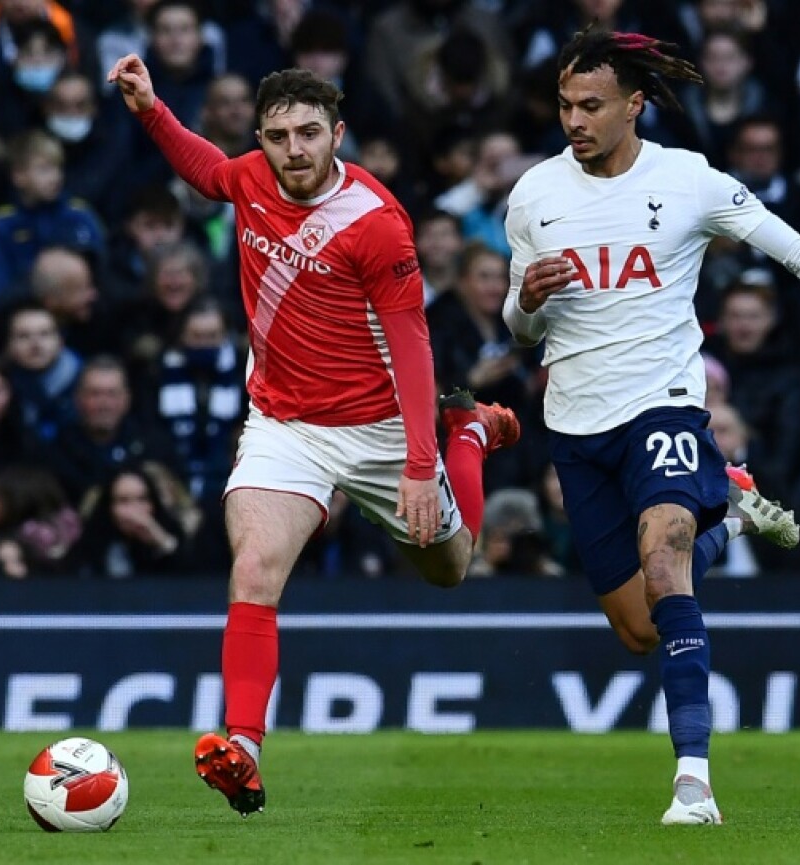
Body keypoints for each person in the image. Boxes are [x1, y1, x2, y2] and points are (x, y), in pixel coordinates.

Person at [500, 26, 800, 825]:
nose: (574, 120)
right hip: (576, 425)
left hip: (664, 405)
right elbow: (519, 332)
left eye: (591, 105)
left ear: (634, 105)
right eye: (565, 105)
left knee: (665, 551)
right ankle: (733, 510)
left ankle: (693, 779)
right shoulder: (534, 194)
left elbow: (799, 250)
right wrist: (526, 300)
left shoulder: (688, 181)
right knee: (640, 627)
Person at [110, 54, 520, 817]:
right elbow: (209, 172)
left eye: (307, 134)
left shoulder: (375, 222)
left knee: (449, 568)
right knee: (256, 566)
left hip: (383, 429)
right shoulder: (252, 178)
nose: (292, 150)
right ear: (260, 138)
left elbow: (412, 345)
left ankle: (471, 435)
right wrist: (151, 111)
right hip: (284, 422)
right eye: (276, 136)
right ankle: (244, 745)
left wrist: (424, 457)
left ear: (338, 133)